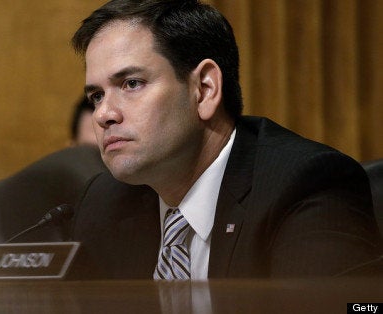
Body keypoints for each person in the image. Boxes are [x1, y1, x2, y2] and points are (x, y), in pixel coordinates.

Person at [67, 0, 382, 280]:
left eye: (131, 83)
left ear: (204, 89)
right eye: (96, 96)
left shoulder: (304, 185)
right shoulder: (104, 204)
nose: (103, 114)